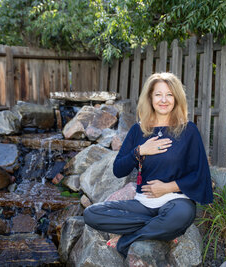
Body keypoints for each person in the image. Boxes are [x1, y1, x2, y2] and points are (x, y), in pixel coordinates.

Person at [83, 72, 213, 257]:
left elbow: (200, 175)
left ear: (176, 99)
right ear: (150, 98)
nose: (164, 100)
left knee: (182, 215)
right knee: (91, 214)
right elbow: (119, 169)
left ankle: (128, 239)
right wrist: (140, 151)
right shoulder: (138, 130)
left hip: (176, 203)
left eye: (169, 94)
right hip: (142, 204)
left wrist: (167, 187)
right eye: (158, 94)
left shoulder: (188, 130)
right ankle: (162, 229)